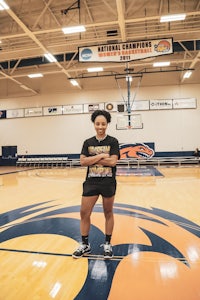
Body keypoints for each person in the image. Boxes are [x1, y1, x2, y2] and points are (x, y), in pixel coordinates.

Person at [72, 110, 120, 259]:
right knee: (84, 213)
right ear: (94, 124)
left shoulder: (113, 141)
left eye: (103, 124)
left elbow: (112, 162)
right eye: (98, 123)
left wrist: (92, 158)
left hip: (108, 182)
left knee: (108, 213)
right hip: (91, 182)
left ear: (107, 124)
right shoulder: (88, 142)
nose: (100, 126)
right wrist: (101, 156)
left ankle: (107, 244)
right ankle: (85, 245)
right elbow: (82, 162)